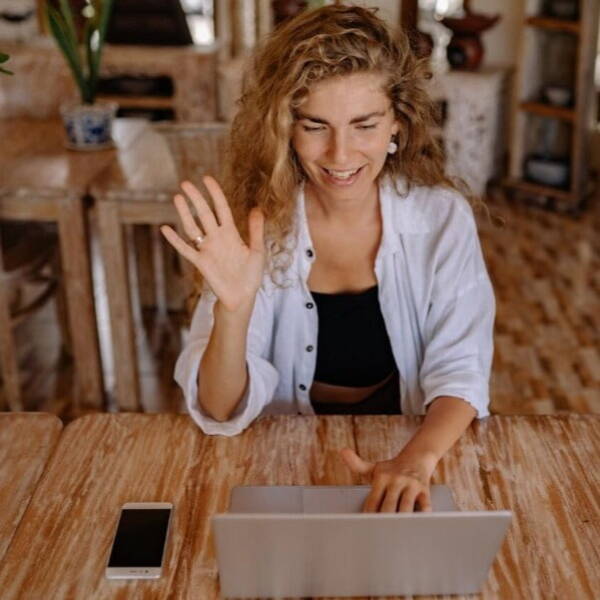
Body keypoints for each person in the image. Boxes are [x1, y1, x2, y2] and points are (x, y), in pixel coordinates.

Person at [160, 5, 495, 514]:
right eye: (315, 125)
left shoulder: (442, 219)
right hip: (276, 463)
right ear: (286, 130)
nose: (341, 155)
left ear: (396, 125)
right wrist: (234, 308)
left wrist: (414, 460)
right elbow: (219, 407)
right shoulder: (258, 226)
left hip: (411, 448)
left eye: (364, 125)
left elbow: (461, 369)